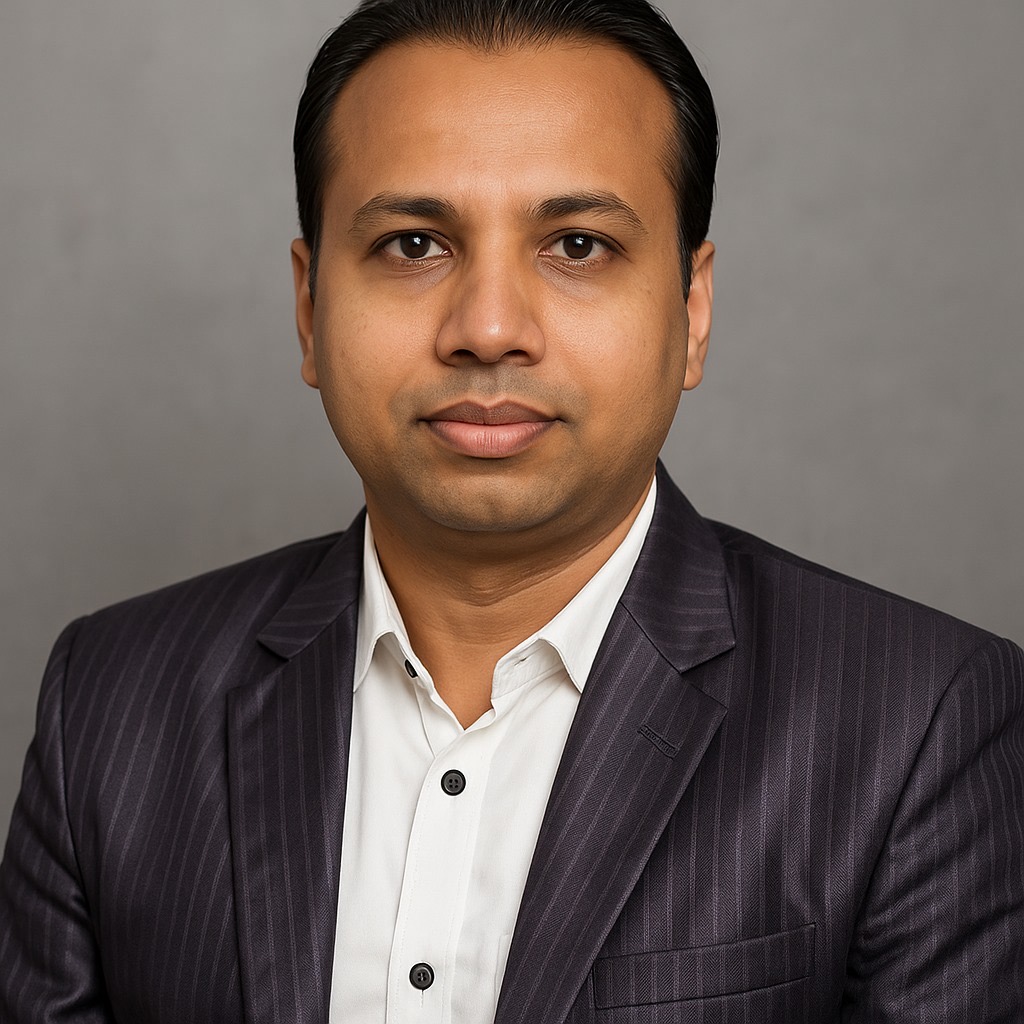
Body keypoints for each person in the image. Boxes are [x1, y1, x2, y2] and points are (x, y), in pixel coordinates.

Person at [1, 0, 1021, 1020]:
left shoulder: (919, 726)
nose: (489, 329)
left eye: (577, 244)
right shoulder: (109, 703)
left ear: (691, 308)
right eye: (413, 244)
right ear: (309, 309)